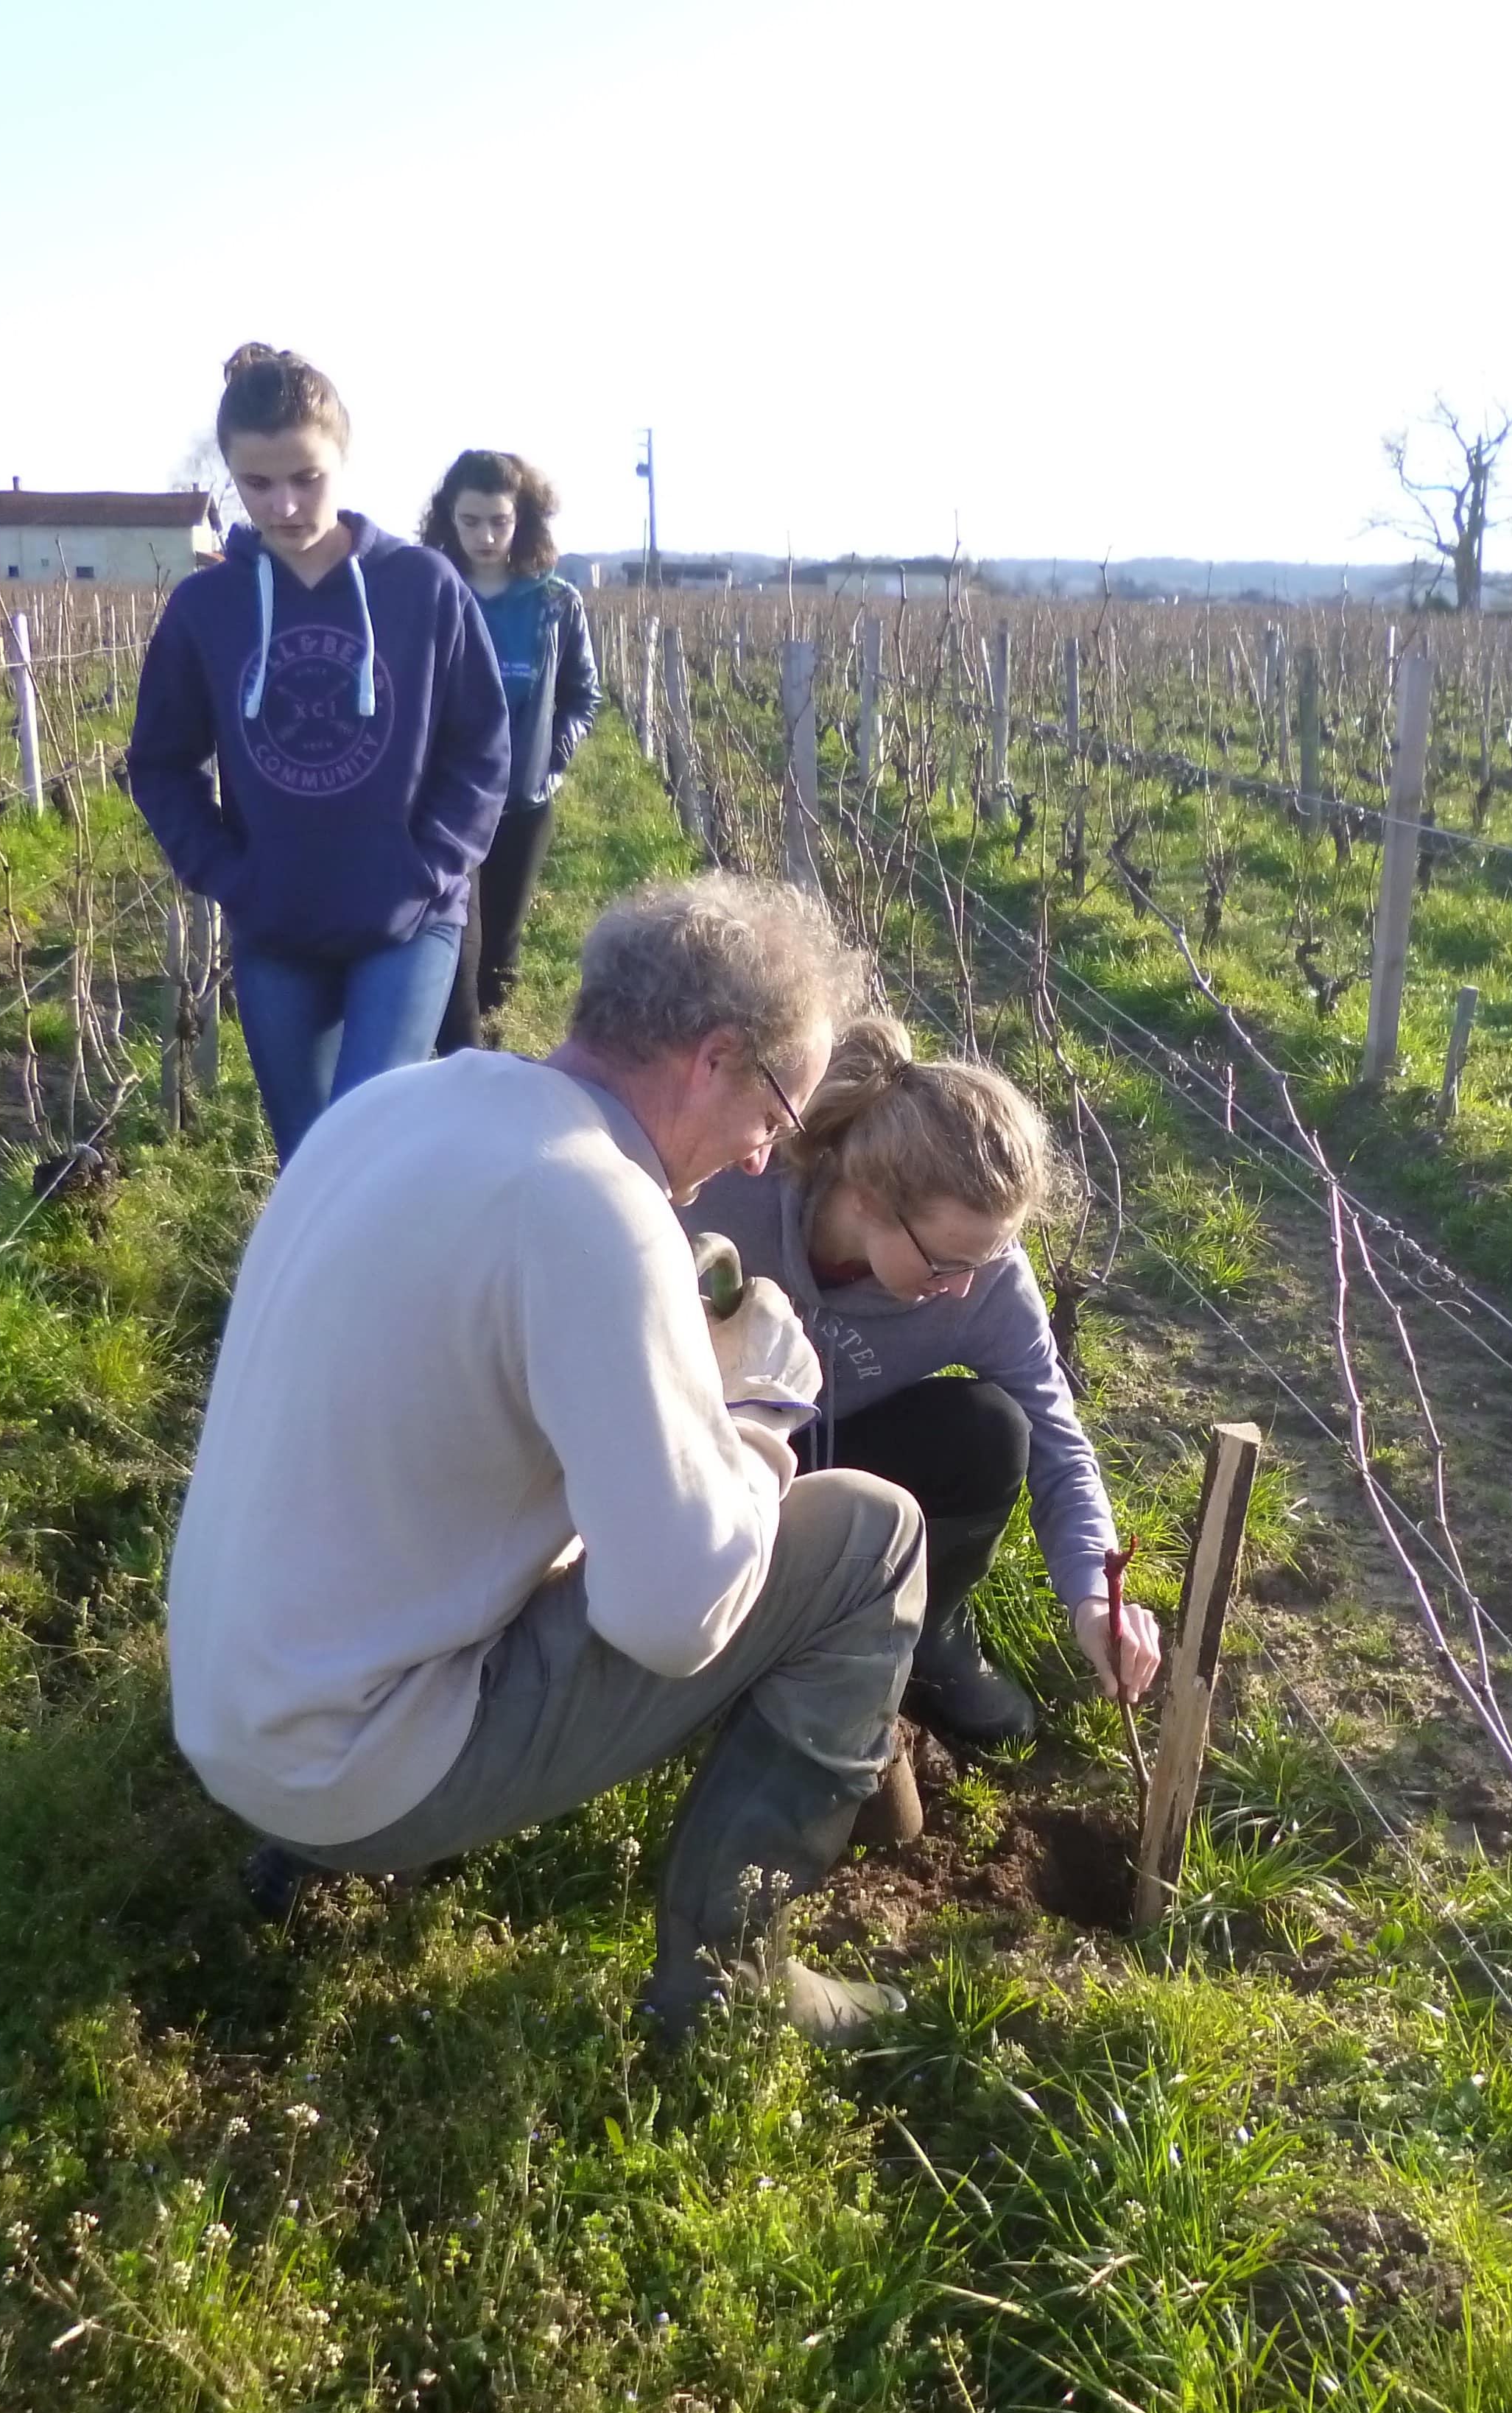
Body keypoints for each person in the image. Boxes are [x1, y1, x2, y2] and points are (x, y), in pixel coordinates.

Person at [169, 877, 923, 2043]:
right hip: (350, 1770)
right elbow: (676, 1614)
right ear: (715, 1056)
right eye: (777, 1110)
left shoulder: (403, 1103)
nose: (769, 1157)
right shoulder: (593, 1208)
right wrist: (761, 1406)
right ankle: (731, 1981)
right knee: (873, 1532)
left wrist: (666, 1355)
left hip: (236, 1706)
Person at [679, 1015, 1163, 1754]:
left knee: (990, 1431)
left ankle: (918, 1628)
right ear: (869, 1198)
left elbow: (1059, 1441)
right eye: (946, 1262)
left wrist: (1097, 1596)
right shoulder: (733, 1190)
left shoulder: (984, 1281)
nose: (966, 1287)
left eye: (989, 1257)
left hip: (831, 1458)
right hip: (696, 1447)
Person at [126, 345, 510, 1162]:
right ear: (231, 474)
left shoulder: (424, 586)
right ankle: (327, 1288)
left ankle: (413, 1284)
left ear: (344, 459)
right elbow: (161, 762)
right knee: (308, 1158)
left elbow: (480, 749)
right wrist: (231, 876)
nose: (286, 503)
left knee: (367, 1144)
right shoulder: (207, 609)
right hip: (276, 928)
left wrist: (428, 868)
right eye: (258, 483)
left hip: (407, 922)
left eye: (307, 477)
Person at [415, 451, 602, 1055]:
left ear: (522, 521)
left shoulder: (554, 603)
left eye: (499, 521)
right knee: (454, 931)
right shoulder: (429, 594)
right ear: (449, 520)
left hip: (523, 801)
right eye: (471, 521)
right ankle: (456, 1059)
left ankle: (492, 1049)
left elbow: (583, 695)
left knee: (500, 940)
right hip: (444, 797)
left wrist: (552, 761)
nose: (486, 536)